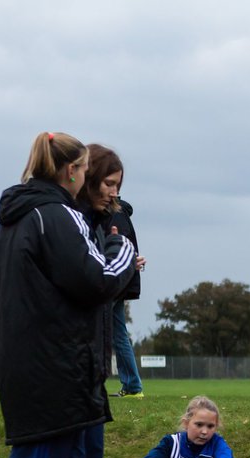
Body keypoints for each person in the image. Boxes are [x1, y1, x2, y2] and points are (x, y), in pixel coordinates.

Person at [0, 131, 137, 458]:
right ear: (72, 171)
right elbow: (96, 280)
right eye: (86, 169)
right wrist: (123, 252)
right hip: (54, 367)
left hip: (48, 362)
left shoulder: (20, 217)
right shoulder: (56, 215)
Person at [81, 144, 144, 399]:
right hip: (117, 280)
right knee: (117, 331)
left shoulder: (114, 216)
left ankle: (132, 385)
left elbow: (118, 249)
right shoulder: (114, 215)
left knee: (114, 332)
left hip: (111, 282)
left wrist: (127, 262)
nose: (112, 192)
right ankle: (131, 385)